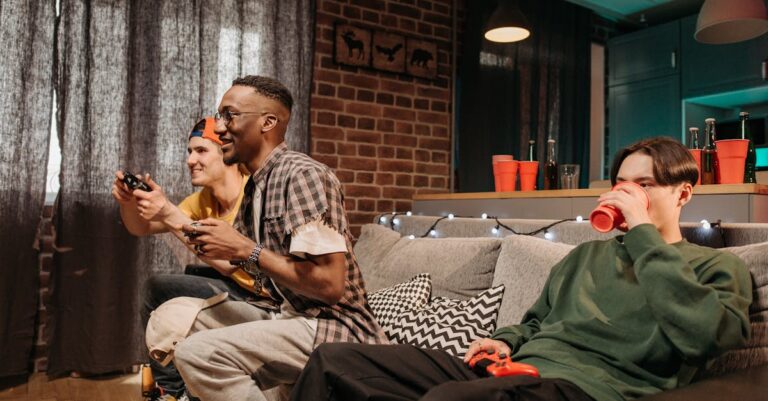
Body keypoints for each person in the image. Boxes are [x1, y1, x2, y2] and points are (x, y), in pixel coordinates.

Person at [288, 137, 753, 401]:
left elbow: (707, 336)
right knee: (335, 361)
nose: (625, 195)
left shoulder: (716, 266)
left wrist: (643, 234)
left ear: (683, 193)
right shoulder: (584, 257)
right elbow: (536, 322)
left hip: (591, 390)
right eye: (620, 185)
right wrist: (506, 340)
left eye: (643, 185)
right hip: (514, 372)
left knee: (450, 399)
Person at [166, 75, 387, 401]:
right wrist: (166, 214)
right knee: (178, 320)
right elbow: (236, 262)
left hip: (334, 327)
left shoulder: (301, 175)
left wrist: (247, 249)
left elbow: (330, 285)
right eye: (219, 115)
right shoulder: (257, 186)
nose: (219, 128)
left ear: (267, 122)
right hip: (288, 316)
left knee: (197, 354)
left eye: (229, 115)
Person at [111, 117, 258, 400]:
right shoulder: (201, 200)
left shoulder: (252, 193)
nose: (191, 160)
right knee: (156, 287)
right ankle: (171, 391)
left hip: (260, 295)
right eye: (189, 151)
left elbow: (231, 264)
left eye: (201, 151)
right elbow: (140, 227)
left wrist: (169, 213)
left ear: (226, 153)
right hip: (235, 285)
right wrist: (127, 204)